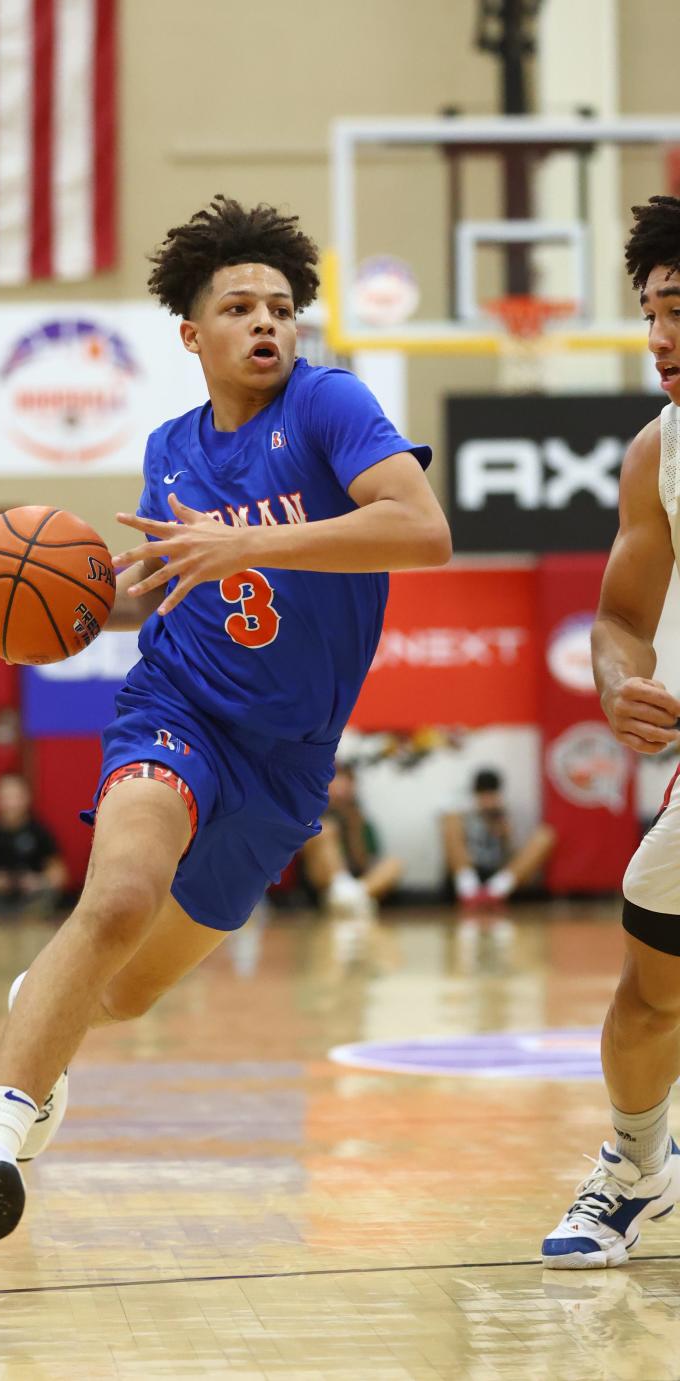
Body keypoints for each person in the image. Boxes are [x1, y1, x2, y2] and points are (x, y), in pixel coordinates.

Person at [0, 195, 451, 1282]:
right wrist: (73, 602)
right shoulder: (169, 447)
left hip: (288, 761)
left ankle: (43, 1026)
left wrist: (240, 543)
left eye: (284, 307)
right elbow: (176, 580)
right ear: (191, 335)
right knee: (114, 897)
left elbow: (423, 531)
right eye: (242, 306)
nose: (269, 323)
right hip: (179, 706)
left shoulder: (331, 405)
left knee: (129, 991)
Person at [542, 195, 680, 1268]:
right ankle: (638, 1165)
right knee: (650, 995)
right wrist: (618, 680)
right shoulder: (656, 453)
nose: (660, 338)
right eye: (649, 314)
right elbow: (621, 617)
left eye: (678, 308)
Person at [299, 757, 402, 916]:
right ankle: (346, 894)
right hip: (322, 884)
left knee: (395, 864)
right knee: (324, 830)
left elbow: (364, 863)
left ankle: (350, 898)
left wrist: (354, 829)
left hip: (357, 881)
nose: (340, 793)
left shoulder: (360, 821)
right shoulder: (309, 817)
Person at [442, 767, 555, 906]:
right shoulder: (463, 815)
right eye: (483, 795)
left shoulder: (508, 815)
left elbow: (519, 857)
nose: (487, 800)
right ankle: (470, 892)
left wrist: (506, 834)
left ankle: (493, 894)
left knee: (544, 836)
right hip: (469, 874)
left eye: (491, 794)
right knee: (450, 821)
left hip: (500, 878)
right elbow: (453, 849)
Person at [0, 773, 67, 916]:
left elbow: (59, 874)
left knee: (48, 895)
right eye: (5, 797)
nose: (11, 803)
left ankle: (28, 915)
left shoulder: (40, 832)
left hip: (30, 896)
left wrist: (36, 881)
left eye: (16, 797)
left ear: (27, 798)